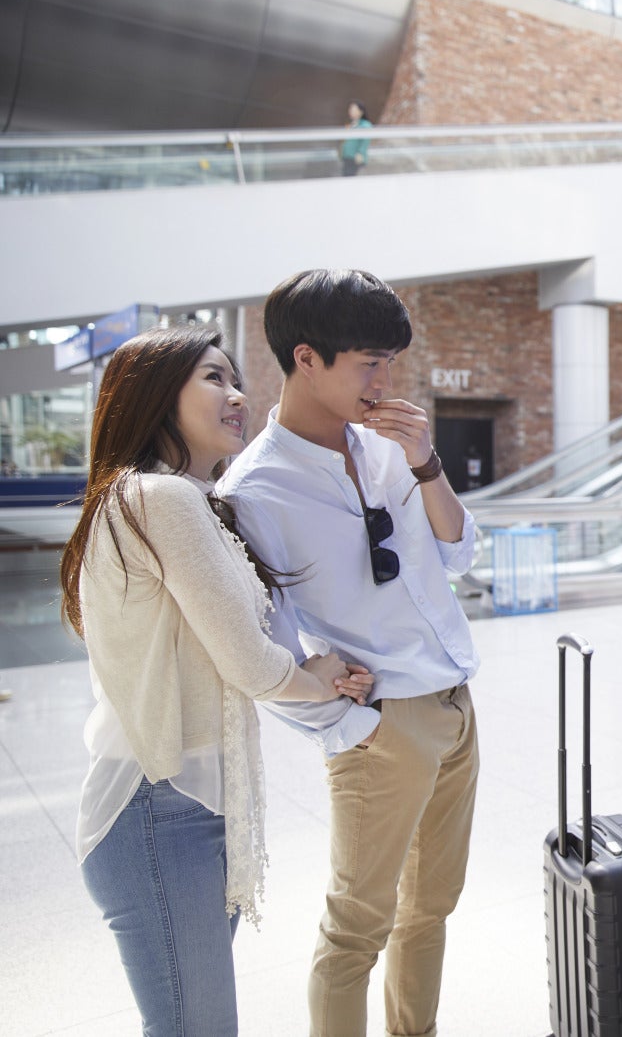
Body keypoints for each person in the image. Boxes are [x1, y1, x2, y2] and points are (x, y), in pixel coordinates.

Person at [59, 326, 373, 1036]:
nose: (237, 395)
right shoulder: (159, 499)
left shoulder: (176, 499)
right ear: (153, 394)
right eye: (213, 377)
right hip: (155, 810)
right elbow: (251, 663)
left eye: (236, 379)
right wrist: (321, 677)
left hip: (185, 808)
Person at [218, 268, 480, 1037]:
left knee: (430, 907)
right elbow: (262, 649)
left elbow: (460, 555)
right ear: (307, 358)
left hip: (456, 703)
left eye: (392, 361)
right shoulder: (254, 491)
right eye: (371, 362)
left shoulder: (390, 447)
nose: (386, 380)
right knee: (355, 929)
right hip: (382, 725)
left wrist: (427, 462)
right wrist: (347, 730)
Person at [339, 100, 373, 177]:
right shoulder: (351, 124)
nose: (351, 111)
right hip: (347, 157)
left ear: (361, 112)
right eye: (350, 109)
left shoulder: (365, 125)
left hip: (356, 158)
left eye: (354, 109)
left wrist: (360, 153)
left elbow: (365, 140)